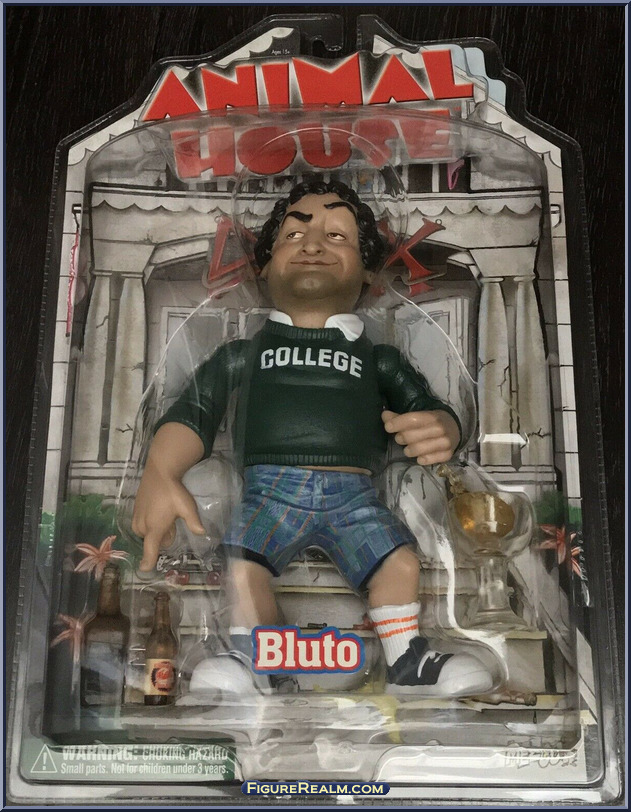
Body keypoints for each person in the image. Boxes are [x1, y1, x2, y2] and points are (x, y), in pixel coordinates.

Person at [132, 180, 492, 697]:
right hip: (269, 493)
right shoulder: (243, 355)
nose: (314, 245)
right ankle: (257, 663)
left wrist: (443, 429)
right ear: (265, 265)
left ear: (368, 271)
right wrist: (162, 471)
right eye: (294, 234)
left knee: (399, 562)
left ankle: (407, 663)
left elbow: (432, 410)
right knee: (242, 565)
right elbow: (196, 412)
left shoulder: (379, 359)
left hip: (355, 496)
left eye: (337, 235)